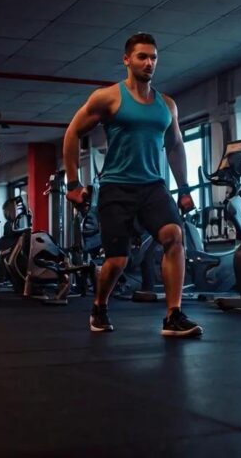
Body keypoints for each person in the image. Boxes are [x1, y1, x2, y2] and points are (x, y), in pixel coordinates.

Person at [63, 33, 202, 337]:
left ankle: (173, 314)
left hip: (153, 186)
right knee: (117, 261)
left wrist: (185, 189)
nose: (149, 62)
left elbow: (175, 145)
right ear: (127, 59)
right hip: (117, 187)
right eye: (142, 56)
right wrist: (73, 182)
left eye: (153, 57)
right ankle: (100, 305)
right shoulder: (108, 98)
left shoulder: (167, 105)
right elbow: (72, 132)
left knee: (174, 236)